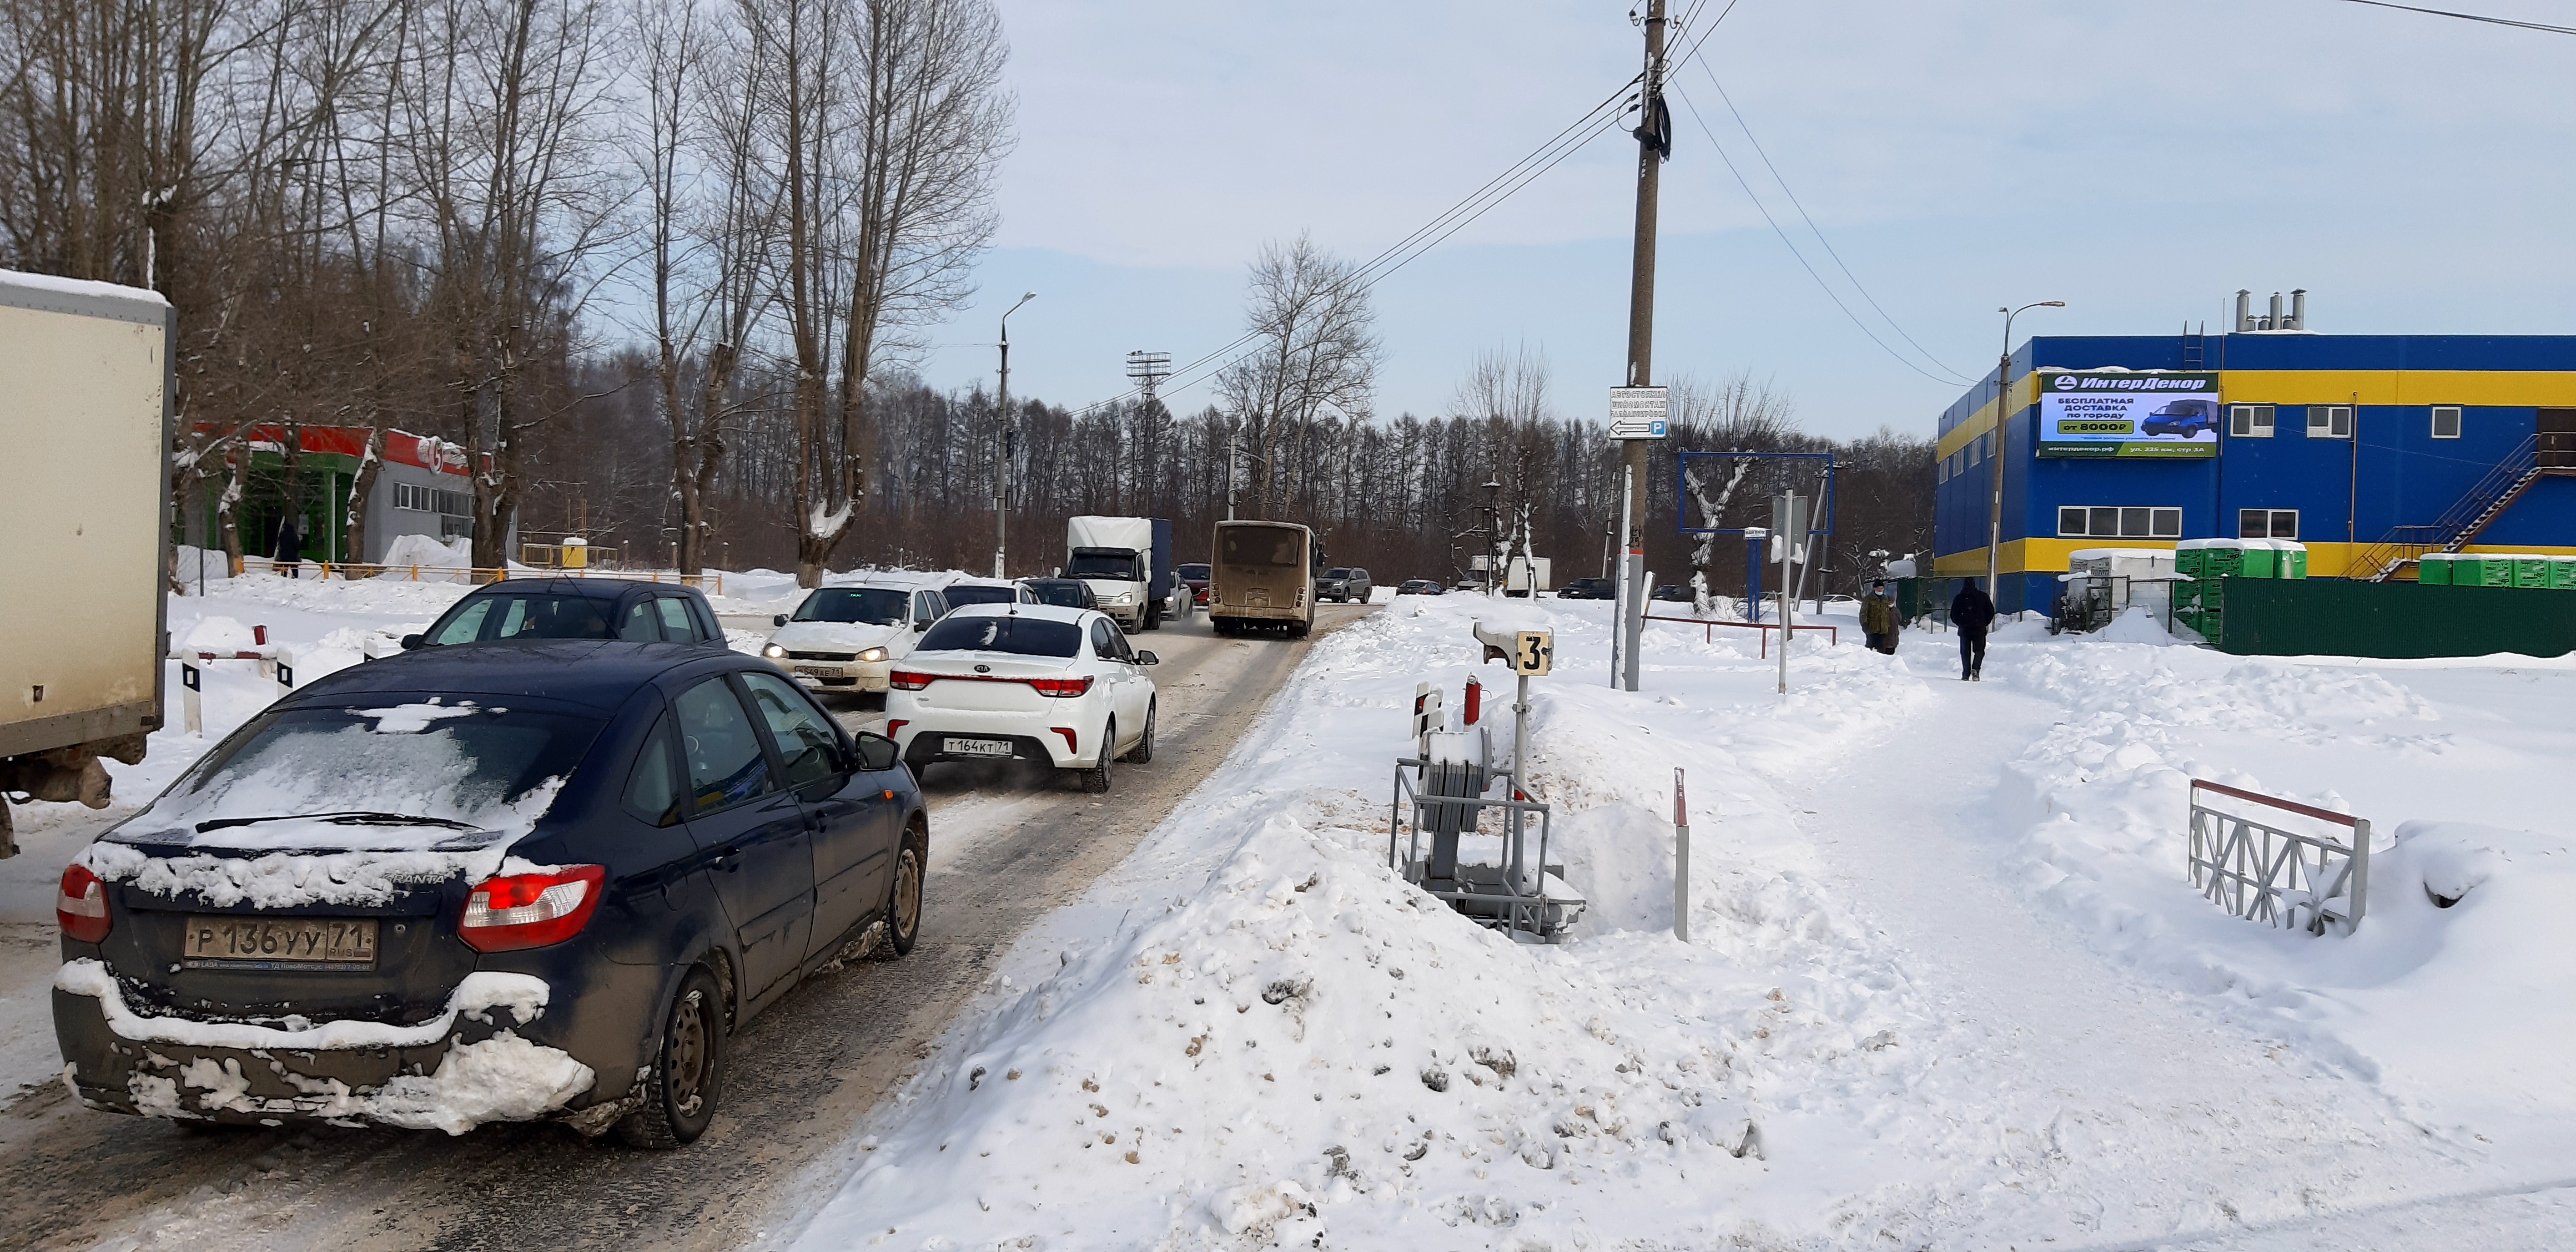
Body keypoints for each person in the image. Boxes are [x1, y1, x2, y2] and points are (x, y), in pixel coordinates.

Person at [1949, 578, 1996, 681]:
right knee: (1979, 651)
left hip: (1965, 629)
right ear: (1975, 585)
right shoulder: (1983, 597)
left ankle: (1966, 673)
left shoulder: (1959, 598)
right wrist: (1984, 622)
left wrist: (1960, 623)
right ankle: (1976, 669)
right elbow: (1991, 612)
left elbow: (1953, 615)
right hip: (1979, 628)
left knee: (1965, 652)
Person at [1860, 579, 1900, 655]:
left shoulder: (1885, 599)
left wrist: (1891, 608)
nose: (1880, 590)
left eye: (1882, 588)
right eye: (1878, 588)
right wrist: (1865, 624)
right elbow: (1864, 613)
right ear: (1874, 589)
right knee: (1871, 650)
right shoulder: (1868, 599)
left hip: (1884, 630)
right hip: (1872, 629)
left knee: (1881, 652)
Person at [271, 515, 303, 579]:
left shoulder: (282, 536)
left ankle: (284, 576)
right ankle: (294, 577)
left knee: (284, 567)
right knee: (294, 568)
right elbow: (296, 545)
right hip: (293, 556)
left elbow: (280, 545)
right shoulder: (294, 536)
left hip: (284, 555)